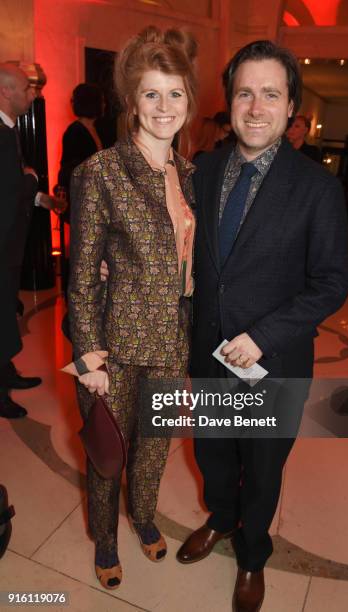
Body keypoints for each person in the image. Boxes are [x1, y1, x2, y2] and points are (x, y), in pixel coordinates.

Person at [176, 40, 348, 611]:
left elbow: (332, 281)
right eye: (244, 92)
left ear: (291, 106)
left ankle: (253, 555)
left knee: (263, 463)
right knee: (212, 454)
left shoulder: (317, 187)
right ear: (228, 101)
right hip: (207, 357)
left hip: (272, 365)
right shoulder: (200, 170)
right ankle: (221, 519)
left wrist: (265, 335)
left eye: (270, 94)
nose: (255, 107)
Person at [67, 26, 197, 590]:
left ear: (189, 100)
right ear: (131, 102)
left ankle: (143, 517)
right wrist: (88, 356)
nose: (164, 107)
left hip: (172, 341)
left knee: (154, 450)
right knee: (107, 454)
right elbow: (82, 274)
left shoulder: (190, 175)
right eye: (152, 93)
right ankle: (105, 538)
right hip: (114, 348)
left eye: (175, 93)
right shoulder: (99, 174)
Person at [0, 63, 65, 419]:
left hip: (10, 244)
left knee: (5, 311)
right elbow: (8, 190)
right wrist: (30, 179)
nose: (34, 94)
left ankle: (6, 372)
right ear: (7, 91)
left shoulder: (9, 130)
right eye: (27, 88)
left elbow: (16, 188)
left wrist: (39, 196)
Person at [58, 83, 105, 223]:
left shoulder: (100, 128)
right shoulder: (74, 131)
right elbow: (71, 168)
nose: (104, 104)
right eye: (101, 101)